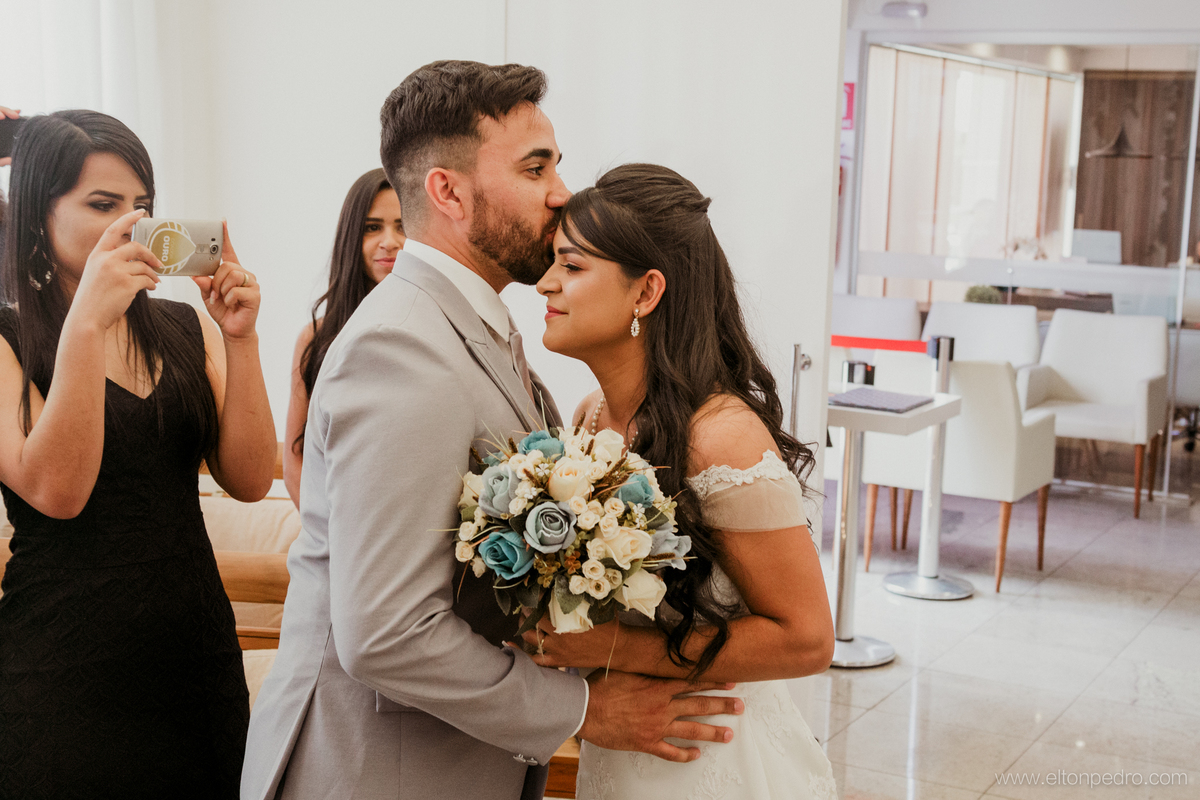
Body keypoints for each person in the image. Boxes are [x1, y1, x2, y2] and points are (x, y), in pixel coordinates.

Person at [242, 62, 742, 800]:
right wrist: (585, 710)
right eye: (535, 169)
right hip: (381, 773)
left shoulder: (473, 323)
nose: (561, 192)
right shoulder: (401, 347)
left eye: (556, 165)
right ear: (448, 192)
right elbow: (385, 632)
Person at [526, 163, 839, 799]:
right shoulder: (589, 416)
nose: (545, 283)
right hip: (621, 754)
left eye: (571, 265)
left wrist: (615, 650)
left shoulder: (721, 436)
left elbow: (807, 640)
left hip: (711, 754)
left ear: (646, 293)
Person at [0, 110, 276, 797]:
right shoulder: (8, 338)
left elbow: (248, 480)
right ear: (37, 215)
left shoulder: (183, 326)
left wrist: (240, 339)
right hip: (62, 668)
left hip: (195, 656)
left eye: (142, 205)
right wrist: (87, 324)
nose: (131, 223)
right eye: (103, 205)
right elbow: (57, 491)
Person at [283, 168, 404, 505]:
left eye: (403, 226)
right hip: (332, 526)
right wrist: (329, 529)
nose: (389, 241)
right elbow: (295, 461)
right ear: (351, 237)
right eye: (372, 227)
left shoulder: (441, 329)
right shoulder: (316, 338)